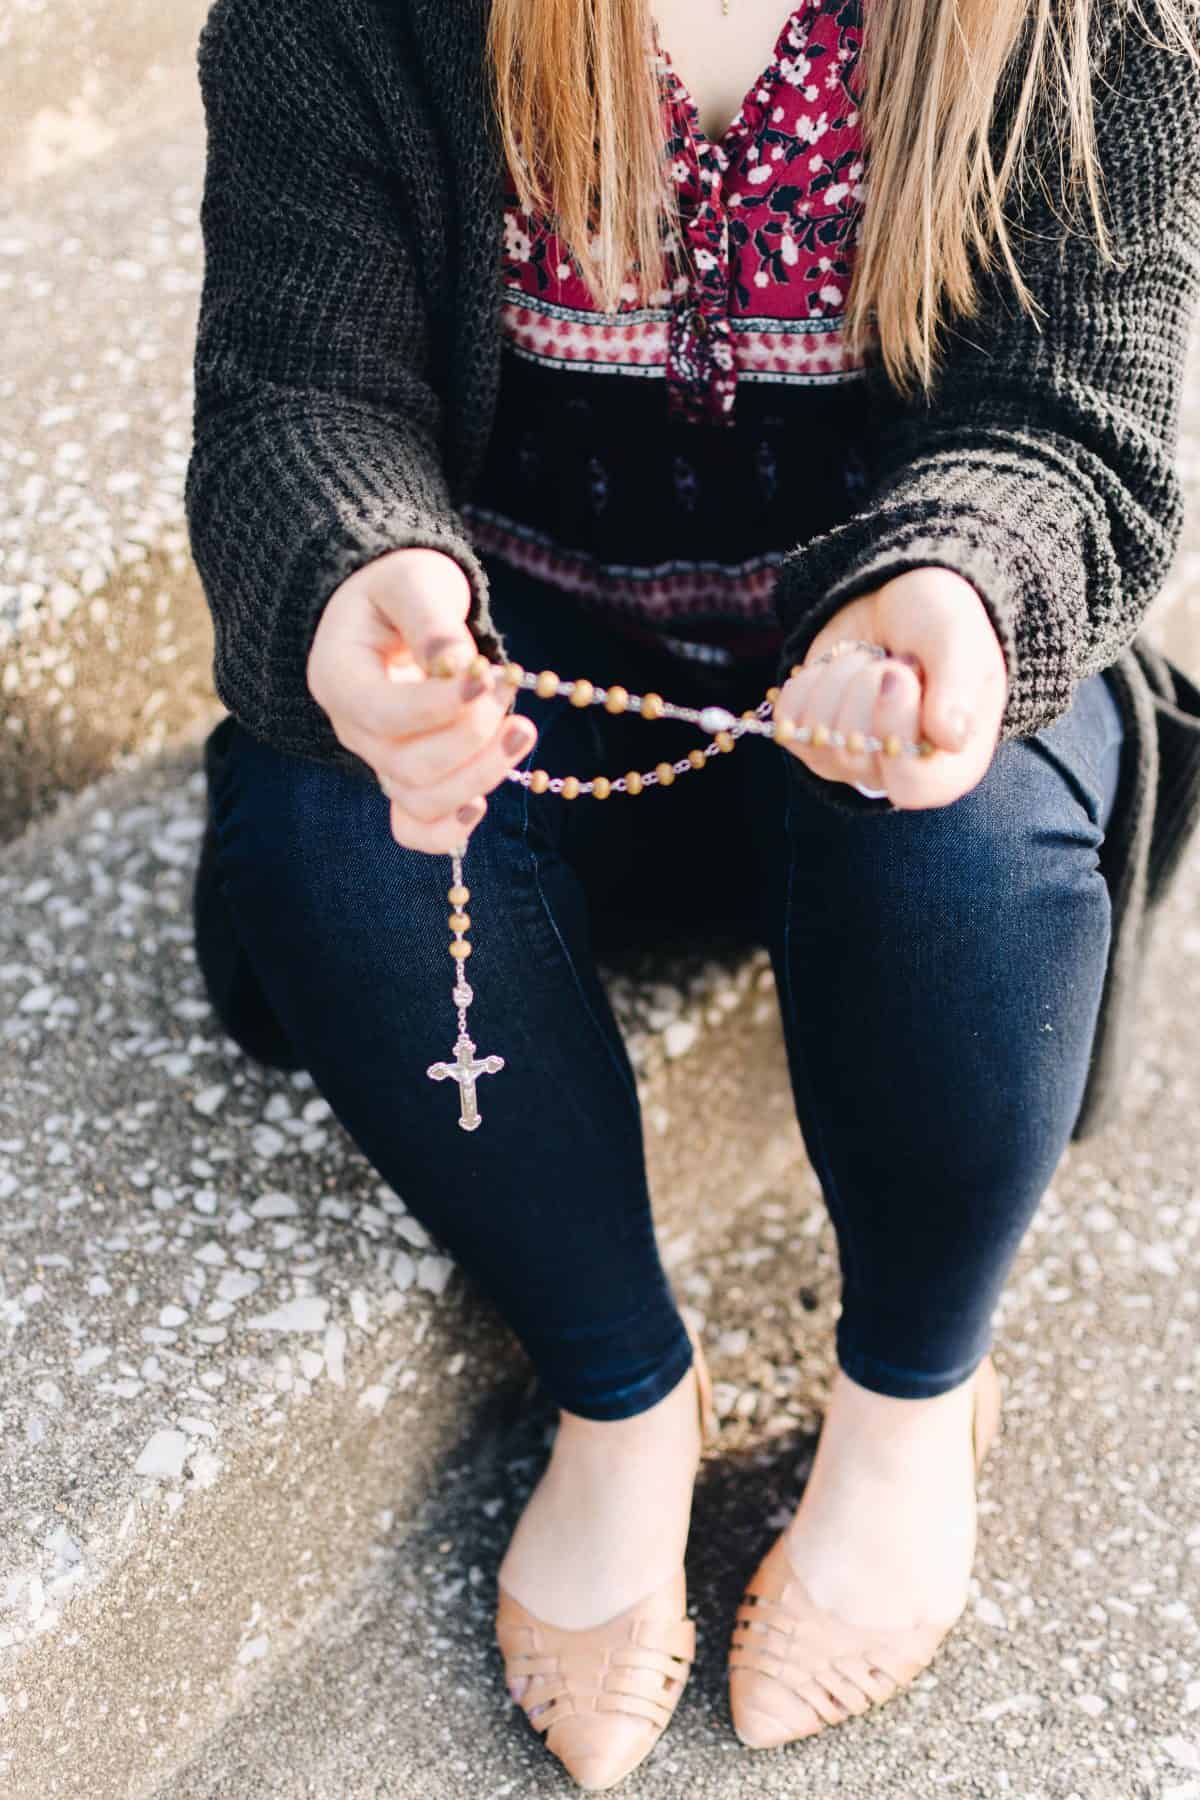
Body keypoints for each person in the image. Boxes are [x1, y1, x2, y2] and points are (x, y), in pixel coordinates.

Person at [186, 0, 1200, 1787]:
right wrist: (368, 586)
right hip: (538, 683)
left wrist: (958, 594)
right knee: (331, 828)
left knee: (964, 851)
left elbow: (1080, 414)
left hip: (887, 670)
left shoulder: (1086, 26)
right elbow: (298, 387)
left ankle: (909, 1400)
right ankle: (625, 1400)